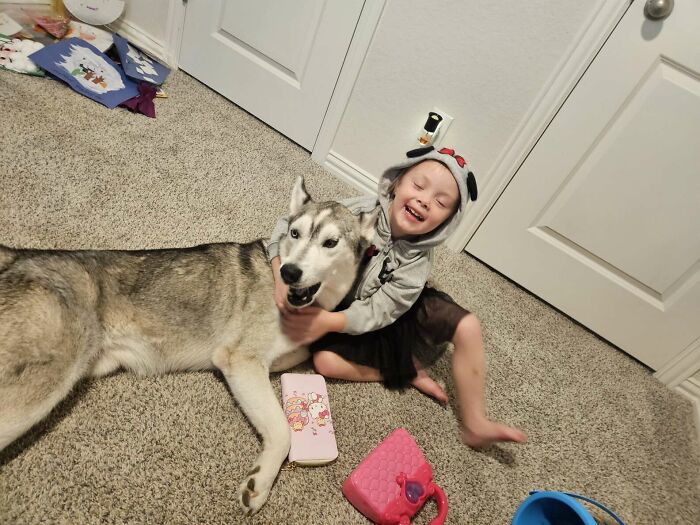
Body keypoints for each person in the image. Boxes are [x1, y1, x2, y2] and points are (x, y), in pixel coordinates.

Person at [266, 146, 527, 448]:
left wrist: (328, 321)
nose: (424, 200)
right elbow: (288, 223)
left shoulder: (417, 263)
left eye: (441, 202)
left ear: (446, 223)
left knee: (468, 326)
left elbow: (381, 310)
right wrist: (277, 273)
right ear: (396, 183)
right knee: (325, 362)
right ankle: (403, 371)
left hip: (388, 308)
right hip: (346, 305)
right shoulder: (360, 212)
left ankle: (476, 422)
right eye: (418, 185)